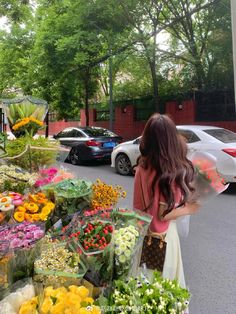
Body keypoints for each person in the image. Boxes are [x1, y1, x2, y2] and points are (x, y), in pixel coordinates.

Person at [133, 113, 199, 288]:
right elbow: (164, 215)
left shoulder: (142, 166)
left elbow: (137, 207)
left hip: (146, 234)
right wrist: (191, 208)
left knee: (145, 284)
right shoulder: (171, 170)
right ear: (171, 138)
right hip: (164, 237)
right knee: (165, 287)